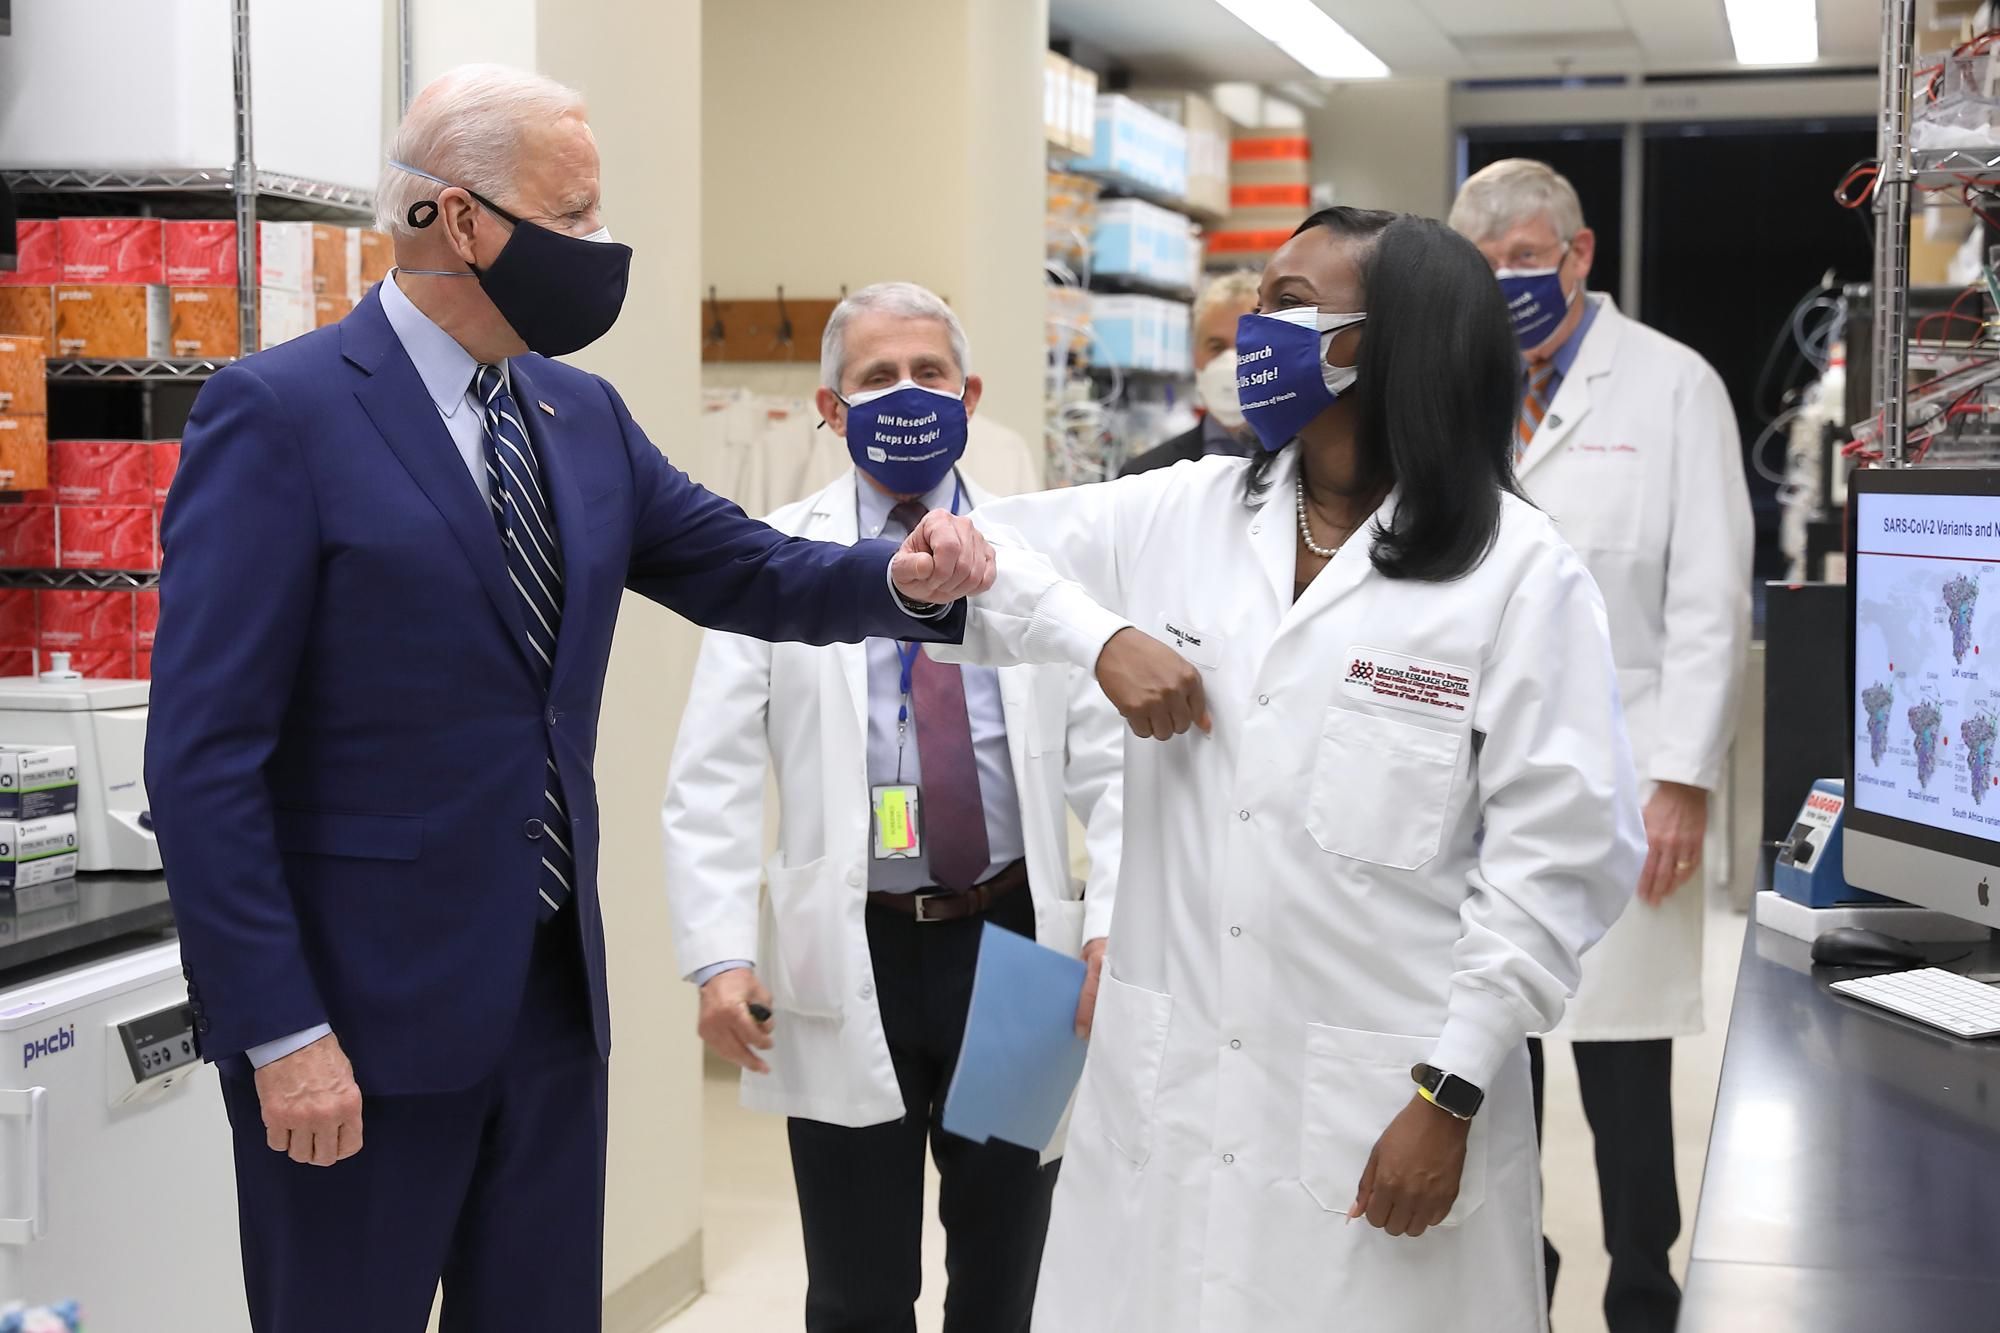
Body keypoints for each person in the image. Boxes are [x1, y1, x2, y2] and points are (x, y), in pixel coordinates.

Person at [144, 65, 997, 1333]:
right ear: (458, 218)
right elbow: (204, 762)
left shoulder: (575, 414)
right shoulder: (280, 416)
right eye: (576, 213)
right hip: (352, 1028)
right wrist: (278, 1031)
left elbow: (747, 566)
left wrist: (906, 579)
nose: (601, 249)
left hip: (544, 1013)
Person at [931, 208, 1645, 1332]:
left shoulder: (1516, 574)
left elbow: (1559, 861)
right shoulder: (1182, 511)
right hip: (1169, 1096)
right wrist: (1094, 635)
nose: (1251, 335)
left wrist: (1449, 1090)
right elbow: (961, 550)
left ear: (1392, 341)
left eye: (1287, 306)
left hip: (1381, 1103)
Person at [662, 282, 1127, 1333]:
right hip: (850, 940)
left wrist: (1107, 924)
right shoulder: (775, 557)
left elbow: (1109, 760)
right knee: (857, 1285)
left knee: (1006, 1268)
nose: (904, 393)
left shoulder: (1034, 553)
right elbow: (713, 769)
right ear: (829, 408)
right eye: (876, 377)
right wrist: (718, 954)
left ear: (969, 396)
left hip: (1012, 945)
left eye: (926, 374)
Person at [1452, 159, 1753, 1333]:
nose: (1508, 283)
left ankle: (1641, 1284)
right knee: (1491, 1049)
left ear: (1579, 256)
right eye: (1483, 268)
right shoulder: (1456, 387)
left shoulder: (1673, 387)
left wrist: (1681, 780)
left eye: (1527, 257)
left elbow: (1708, 599)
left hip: (1628, 785)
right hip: (1478, 787)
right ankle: (1511, 1285)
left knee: (1621, 1066)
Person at [1119, 269, 1260, 476]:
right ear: (1194, 356)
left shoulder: (1312, 469)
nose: (1232, 361)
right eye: (1216, 347)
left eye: (1246, 346)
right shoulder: (1146, 475)